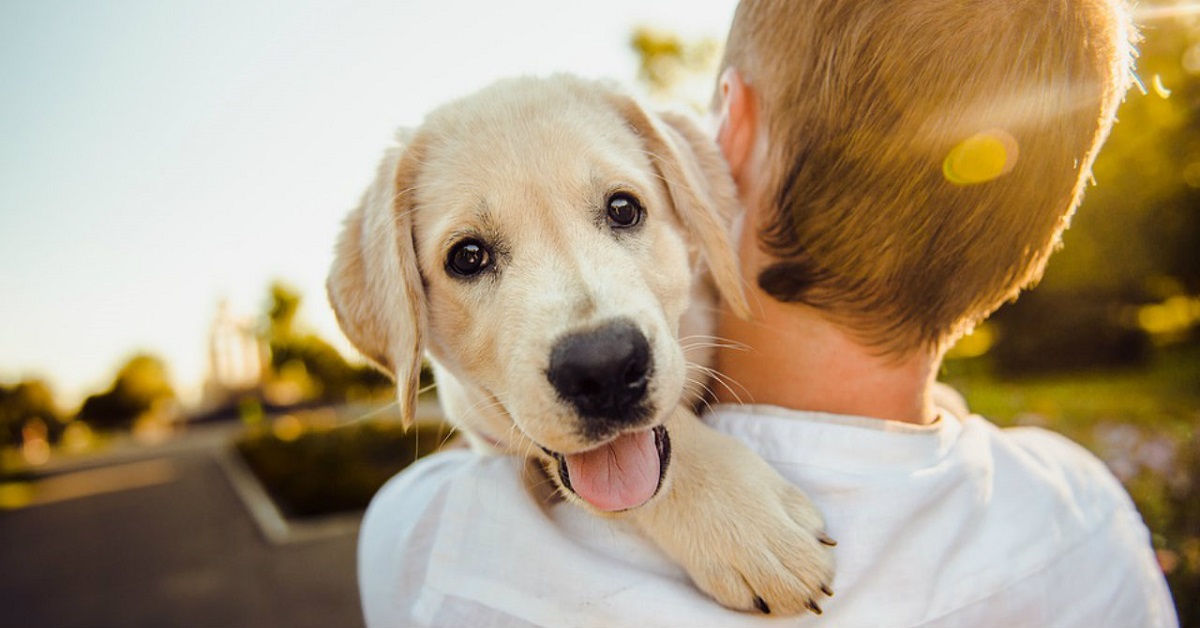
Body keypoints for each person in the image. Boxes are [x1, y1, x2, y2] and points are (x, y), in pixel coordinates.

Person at [357, 0, 1179, 625]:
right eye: (472, 258)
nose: (596, 336)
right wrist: (683, 480)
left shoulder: (431, 541)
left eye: (621, 210)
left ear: (727, 139)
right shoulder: (1090, 521)